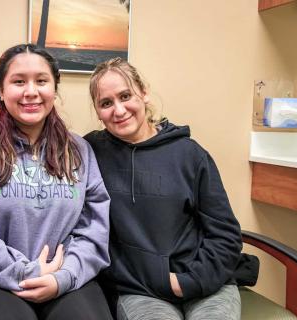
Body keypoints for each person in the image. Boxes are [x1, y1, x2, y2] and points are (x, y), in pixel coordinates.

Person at [0, 44, 113, 320]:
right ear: (0, 88)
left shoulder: (79, 150)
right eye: (19, 81)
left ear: (54, 88)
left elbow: (94, 228)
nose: (31, 91)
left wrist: (64, 276)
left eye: (41, 81)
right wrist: (26, 271)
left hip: (62, 276)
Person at [84, 57, 243, 320]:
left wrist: (186, 282)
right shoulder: (91, 153)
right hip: (140, 291)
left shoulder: (190, 155)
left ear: (144, 93)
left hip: (206, 284)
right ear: (98, 111)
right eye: (106, 103)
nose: (119, 110)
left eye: (126, 96)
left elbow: (225, 235)